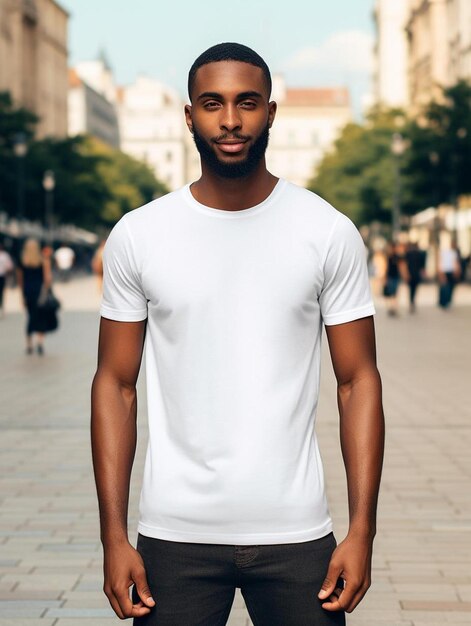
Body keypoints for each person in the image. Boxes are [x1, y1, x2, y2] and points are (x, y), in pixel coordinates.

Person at [91, 43, 385, 625]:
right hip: (174, 539)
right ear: (189, 116)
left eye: (247, 103)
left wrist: (362, 532)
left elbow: (358, 380)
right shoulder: (140, 235)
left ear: (270, 113)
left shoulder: (326, 231)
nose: (230, 120)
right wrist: (114, 538)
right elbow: (115, 384)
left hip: (299, 537)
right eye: (213, 104)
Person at [16, 238, 52, 355]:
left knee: (30, 317)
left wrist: (22, 295)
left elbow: (20, 280)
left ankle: (29, 344)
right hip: (39, 292)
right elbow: (47, 279)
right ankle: (40, 343)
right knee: (40, 317)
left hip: (28, 292)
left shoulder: (22, 261)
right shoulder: (43, 260)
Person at [383, 241, 408, 316]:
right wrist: (384, 277)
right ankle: (391, 307)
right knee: (390, 292)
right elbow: (386, 268)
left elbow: (401, 266)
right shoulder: (388, 257)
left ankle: (393, 307)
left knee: (394, 292)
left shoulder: (398, 257)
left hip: (395, 277)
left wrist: (404, 275)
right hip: (390, 276)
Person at [438, 240, 461, 309]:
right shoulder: (447, 252)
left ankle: (445, 301)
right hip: (447, 271)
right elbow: (455, 263)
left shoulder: (451, 253)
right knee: (447, 286)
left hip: (448, 271)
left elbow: (455, 263)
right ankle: (445, 301)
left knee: (448, 286)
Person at [405, 241, 426, 313]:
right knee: (414, 289)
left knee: (411, 289)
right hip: (415, 274)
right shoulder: (419, 254)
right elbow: (422, 266)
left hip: (411, 274)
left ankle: (411, 301)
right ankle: (412, 301)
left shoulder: (409, 254)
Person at [0, 240, 14, 318]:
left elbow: (9, 266)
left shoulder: (5, 256)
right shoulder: (6, 255)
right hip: (2, 276)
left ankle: (2, 308)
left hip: (2, 276)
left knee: (1, 293)